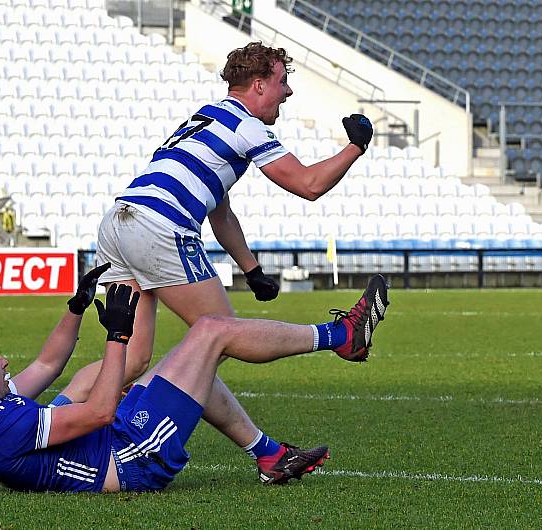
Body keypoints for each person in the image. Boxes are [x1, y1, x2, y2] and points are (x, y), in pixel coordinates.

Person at [60, 42, 377, 481]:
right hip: (159, 226)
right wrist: (356, 146)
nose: (287, 94)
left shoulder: (204, 119)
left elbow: (220, 212)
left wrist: (252, 270)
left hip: (119, 221)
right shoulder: (248, 127)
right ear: (260, 84)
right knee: (217, 337)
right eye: (283, 83)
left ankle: (51, 420)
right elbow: (308, 184)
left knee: (132, 361)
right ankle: (341, 334)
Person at [0, 267, 390, 493]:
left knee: (175, 368)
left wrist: (76, 306)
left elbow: (48, 365)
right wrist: (117, 334)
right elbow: (101, 412)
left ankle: (269, 455)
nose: (4, 362)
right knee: (210, 332)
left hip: (110, 439)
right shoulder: (2, 428)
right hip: (130, 459)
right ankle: (342, 336)